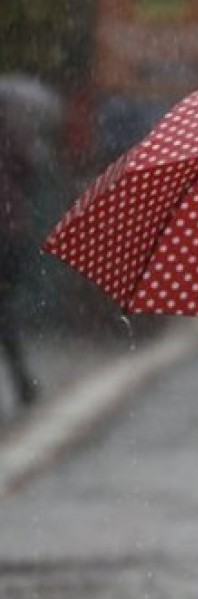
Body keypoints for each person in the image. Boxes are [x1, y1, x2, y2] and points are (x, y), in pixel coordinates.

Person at [0, 103, 39, 410]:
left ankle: (22, 379)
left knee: (6, 309)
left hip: (9, 233)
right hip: (11, 231)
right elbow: (30, 172)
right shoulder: (10, 135)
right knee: (6, 307)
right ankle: (21, 378)